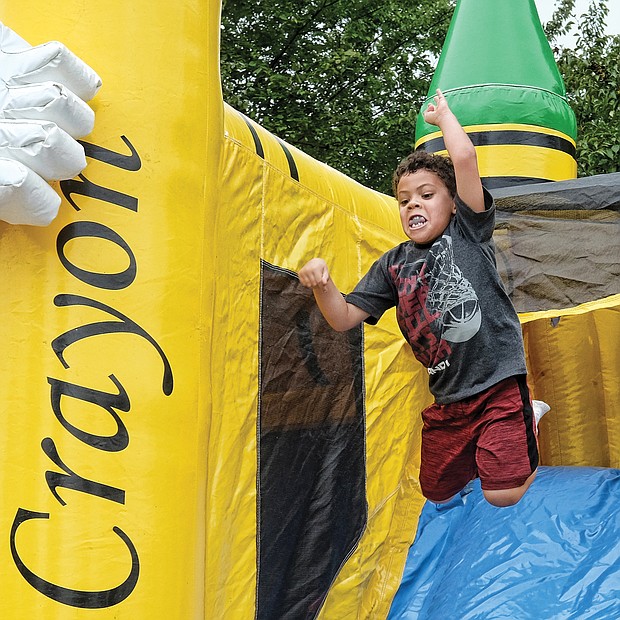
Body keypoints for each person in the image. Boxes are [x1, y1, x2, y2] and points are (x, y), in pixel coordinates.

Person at [299, 89, 542, 508]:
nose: (414, 205)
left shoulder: (467, 231)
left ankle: (528, 419)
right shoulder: (392, 265)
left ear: (452, 204)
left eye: (427, 195)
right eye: (405, 200)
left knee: (503, 494)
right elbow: (343, 318)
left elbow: (464, 161)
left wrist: (445, 117)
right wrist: (323, 286)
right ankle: (493, 446)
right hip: (448, 396)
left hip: (496, 381)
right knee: (437, 491)